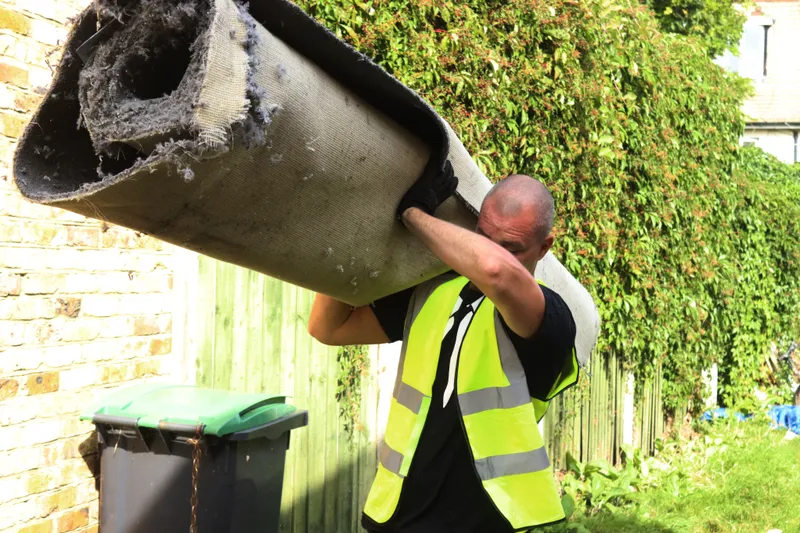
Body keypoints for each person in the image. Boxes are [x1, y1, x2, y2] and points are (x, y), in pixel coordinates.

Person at [308, 161, 579, 533]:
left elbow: (496, 272)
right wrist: (356, 238)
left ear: (544, 247)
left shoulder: (550, 319)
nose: (494, 254)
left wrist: (413, 215)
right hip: (395, 516)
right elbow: (327, 327)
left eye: (511, 248)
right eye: (484, 237)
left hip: (482, 522)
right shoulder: (433, 291)